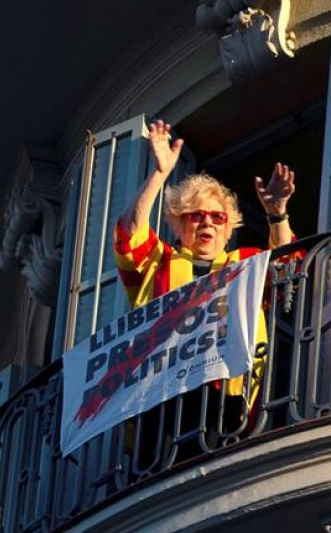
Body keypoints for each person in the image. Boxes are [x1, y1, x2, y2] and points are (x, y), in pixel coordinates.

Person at [113, 119, 295, 457]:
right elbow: (128, 234)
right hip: (163, 398)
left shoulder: (243, 263)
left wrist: (276, 214)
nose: (208, 222)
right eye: (196, 216)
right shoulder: (160, 264)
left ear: (228, 229)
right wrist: (160, 173)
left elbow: (288, 269)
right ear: (179, 223)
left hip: (227, 397)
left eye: (217, 217)